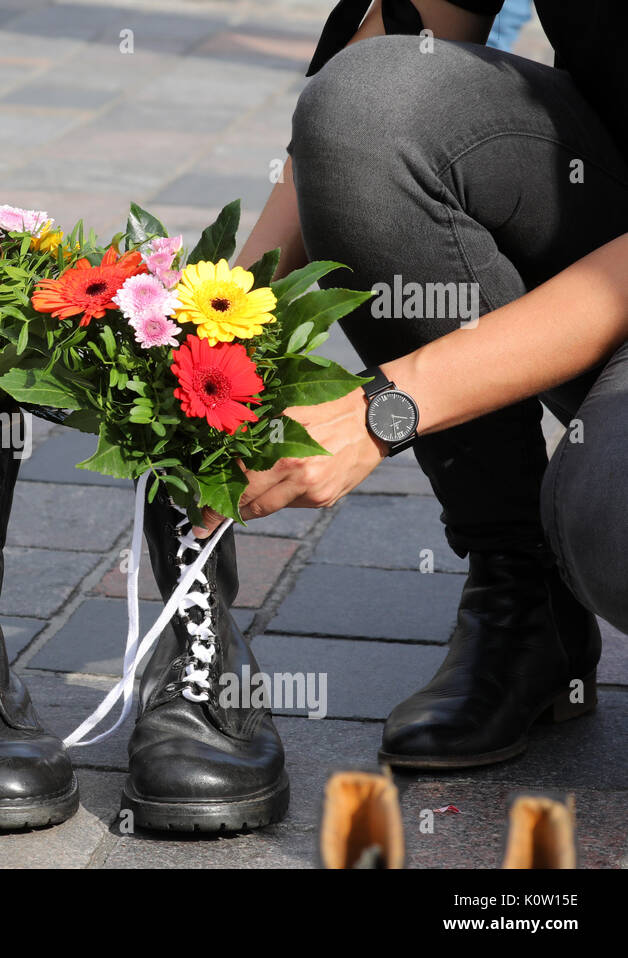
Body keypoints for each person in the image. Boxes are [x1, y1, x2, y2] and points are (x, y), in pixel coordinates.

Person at [197, 0, 628, 769]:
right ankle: (524, 606)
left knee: (611, 524)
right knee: (368, 102)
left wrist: (382, 411)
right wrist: (225, 319)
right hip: (598, 211)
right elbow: (412, 31)